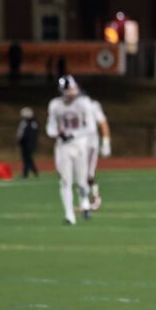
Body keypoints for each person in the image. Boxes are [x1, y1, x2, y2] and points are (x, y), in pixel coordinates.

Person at [46, 75, 95, 224]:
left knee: (81, 181)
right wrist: (58, 134)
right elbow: (50, 127)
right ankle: (69, 215)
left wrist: (73, 134)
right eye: (69, 89)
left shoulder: (83, 103)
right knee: (65, 181)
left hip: (80, 144)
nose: (73, 91)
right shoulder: (55, 105)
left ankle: (85, 203)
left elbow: (91, 127)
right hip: (63, 147)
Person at [81, 96, 112, 210]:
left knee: (88, 174)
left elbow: (103, 123)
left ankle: (95, 199)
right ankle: (87, 200)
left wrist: (106, 141)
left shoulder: (92, 106)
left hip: (90, 145)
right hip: (77, 145)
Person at [17, 107, 40, 178]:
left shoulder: (31, 123)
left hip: (28, 144)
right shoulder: (28, 123)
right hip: (25, 144)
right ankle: (33, 171)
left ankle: (26, 173)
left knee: (27, 158)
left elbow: (23, 134)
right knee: (27, 158)